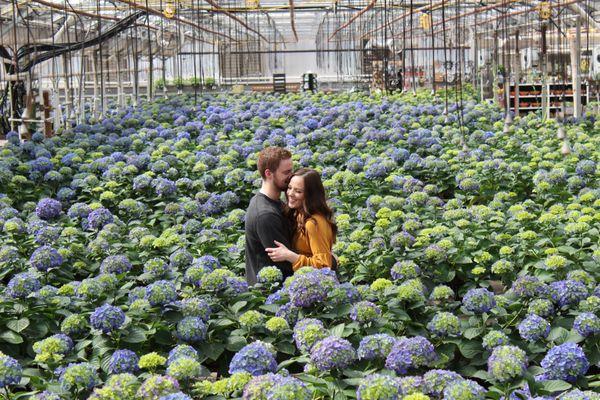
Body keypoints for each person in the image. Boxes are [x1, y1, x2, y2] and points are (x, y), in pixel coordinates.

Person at [265, 168, 337, 272]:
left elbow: (324, 266)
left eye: (298, 191)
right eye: (289, 188)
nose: (290, 194)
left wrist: (290, 256)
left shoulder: (314, 223)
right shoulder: (297, 214)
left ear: (310, 195)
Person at [244, 147, 294, 285]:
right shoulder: (265, 215)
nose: (292, 176)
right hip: (271, 293)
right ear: (268, 173)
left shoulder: (274, 202)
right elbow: (286, 263)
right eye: (286, 172)